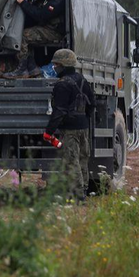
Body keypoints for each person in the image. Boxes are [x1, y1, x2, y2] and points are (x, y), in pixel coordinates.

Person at [45, 49, 94, 201]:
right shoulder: (82, 80)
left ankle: (78, 196)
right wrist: (85, 120)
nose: (54, 68)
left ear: (64, 65)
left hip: (70, 129)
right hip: (83, 127)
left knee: (72, 162)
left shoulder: (62, 85)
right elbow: (92, 104)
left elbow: (59, 111)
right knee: (82, 159)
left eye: (56, 65)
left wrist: (49, 131)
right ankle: (84, 190)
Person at [5, 0, 66, 79]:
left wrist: (23, 3)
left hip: (53, 32)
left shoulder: (57, 1)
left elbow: (41, 15)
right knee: (27, 34)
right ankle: (32, 68)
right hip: (47, 29)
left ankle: (22, 69)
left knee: (24, 36)